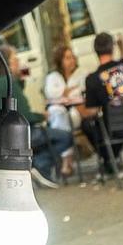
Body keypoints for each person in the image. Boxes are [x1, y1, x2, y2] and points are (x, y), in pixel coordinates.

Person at [0, 44, 67, 187]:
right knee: (65, 137)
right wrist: (43, 116)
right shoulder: (7, 82)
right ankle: (40, 164)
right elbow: (24, 115)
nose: (18, 63)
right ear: (6, 63)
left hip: (1, 136)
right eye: (15, 60)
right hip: (19, 135)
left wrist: (19, 80)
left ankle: (37, 166)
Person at [77, 32, 123, 180]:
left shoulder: (93, 79)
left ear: (95, 51)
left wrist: (78, 108)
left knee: (87, 124)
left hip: (114, 131)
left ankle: (109, 159)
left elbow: (91, 110)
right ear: (112, 48)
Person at [43, 45, 85, 183]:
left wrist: (63, 93)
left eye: (72, 57)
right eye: (67, 58)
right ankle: (68, 160)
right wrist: (67, 91)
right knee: (59, 113)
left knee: (67, 116)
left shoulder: (80, 74)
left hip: (75, 111)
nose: (71, 60)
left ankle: (65, 161)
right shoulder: (52, 77)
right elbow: (51, 94)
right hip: (57, 112)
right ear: (60, 60)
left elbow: (80, 92)